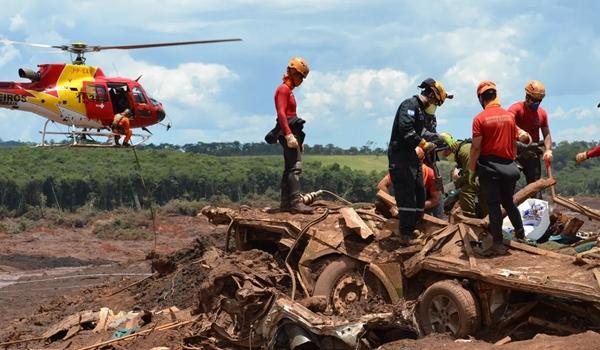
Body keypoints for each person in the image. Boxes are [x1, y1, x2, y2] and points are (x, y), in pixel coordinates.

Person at [388, 78, 451, 243]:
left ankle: (413, 226)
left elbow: (421, 130)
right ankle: (405, 234)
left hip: (412, 158)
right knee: (407, 195)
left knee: (419, 192)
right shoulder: (409, 105)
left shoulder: (420, 111)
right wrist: (423, 143)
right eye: (435, 101)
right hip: (401, 157)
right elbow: (406, 130)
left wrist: (438, 137)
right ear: (430, 94)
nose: (434, 105)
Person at [469, 81, 526, 255]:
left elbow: (476, 147)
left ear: (481, 98)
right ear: (495, 95)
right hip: (509, 168)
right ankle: (521, 235)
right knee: (508, 202)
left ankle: (498, 243)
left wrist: (471, 169)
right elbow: (518, 138)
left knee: (493, 205)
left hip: (490, 168)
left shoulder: (479, 119)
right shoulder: (509, 116)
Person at [273, 57, 312, 214]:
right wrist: (289, 135)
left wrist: (297, 138)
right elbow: (281, 114)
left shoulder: (288, 91)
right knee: (294, 167)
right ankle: (295, 202)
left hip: (292, 130)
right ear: (293, 72)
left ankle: (286, 204)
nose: (301, 80)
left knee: (289, 167)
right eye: (300, 76)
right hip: (287, 130)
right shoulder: (283, 90)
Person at [508, 80, 553, 185]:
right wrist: (518, 131)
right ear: (527, 97)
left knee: (535, 185)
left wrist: (548, 150)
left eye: (539, 101)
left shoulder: (542, 113)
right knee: (509, 183)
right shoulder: (517, 108)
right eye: (534, 100)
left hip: (533, 154)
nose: (537, 103)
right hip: (516, 154)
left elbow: (546, 134)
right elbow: (507, 121)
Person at [437, 132, 488, 218]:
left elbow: (470, 175)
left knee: (466, 191)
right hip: (483, 176)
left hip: (487, 177)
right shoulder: (460, 151)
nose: (444, 156)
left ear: (448, 148)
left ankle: (470, 220)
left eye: (444, 153)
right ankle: (487, 218)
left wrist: (457, 182)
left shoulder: (463, 151)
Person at [376, 162, 442, 218]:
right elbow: (381, 186)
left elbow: (436, 200)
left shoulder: (432, 174)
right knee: (380, 202)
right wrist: (392, 206)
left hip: (424, 207)